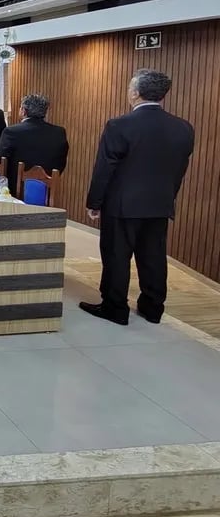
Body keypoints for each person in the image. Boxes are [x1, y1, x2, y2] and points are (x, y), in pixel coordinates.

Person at [81, 69, 194, 326]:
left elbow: (105, 168)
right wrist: (168, 197)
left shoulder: (119, 125)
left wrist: (94, 202)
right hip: (160, 204)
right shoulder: (183, 128)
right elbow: (179, 169)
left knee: (116, 256)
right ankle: (152, 308)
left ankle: (115, 308)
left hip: (122, 205)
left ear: (135, 93)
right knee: (154, 257)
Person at [0, 94, 69, 195]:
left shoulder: (11, 131)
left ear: (23, 111)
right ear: (45, 112)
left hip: (14, 191)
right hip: (46, 191)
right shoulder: (59, 132)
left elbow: (0, 161)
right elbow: (61, 163)